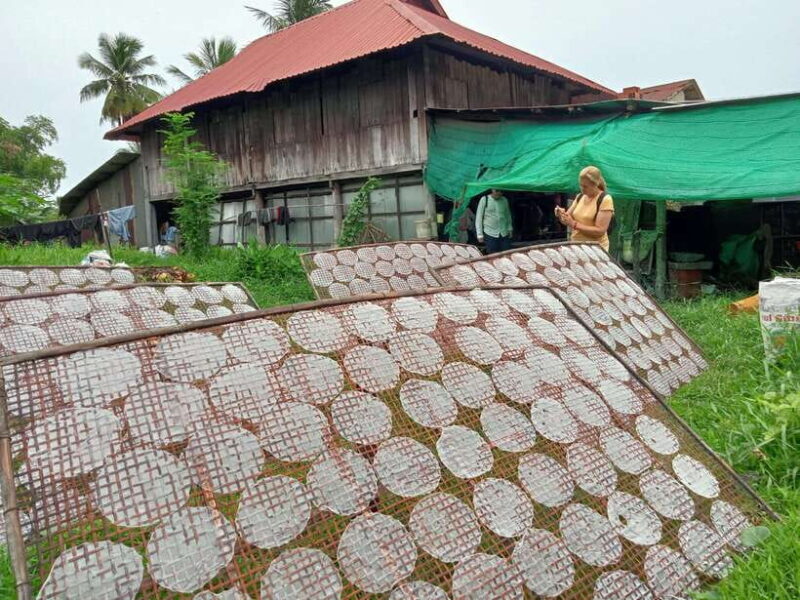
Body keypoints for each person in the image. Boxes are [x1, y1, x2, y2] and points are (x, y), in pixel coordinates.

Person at [555, 166, 614, 251]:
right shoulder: (580, 196)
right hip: (577, 247)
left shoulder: (605, 199)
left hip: (596, 250)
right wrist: (561, 214)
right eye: (580, 185)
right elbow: (567, 220)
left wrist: (574, 224)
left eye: (585, 186)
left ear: (595, 184)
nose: (582, 189)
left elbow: (600, 231)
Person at [476, 189, 513, 254]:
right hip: (490, 233)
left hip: (504, 233)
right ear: (492, 190)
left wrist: (510, 228)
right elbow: (479, 217)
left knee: (507, 254)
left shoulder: (504, 200)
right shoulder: (484, 199)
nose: (499, 193)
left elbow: (508, 215)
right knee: (493, 255)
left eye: (501, 191)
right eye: (497, 191)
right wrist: (479, 234)